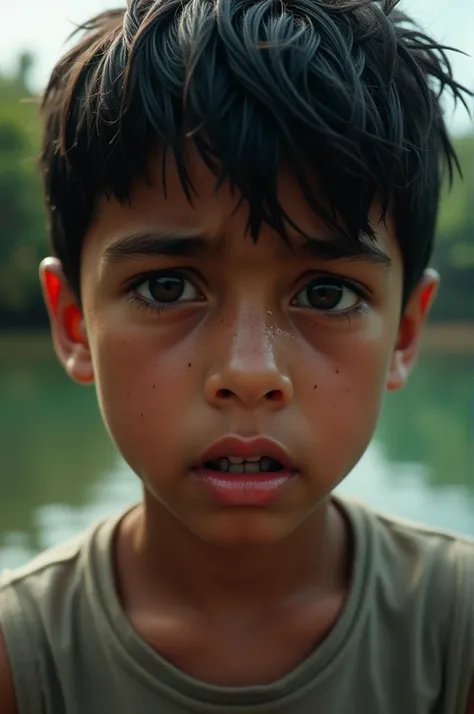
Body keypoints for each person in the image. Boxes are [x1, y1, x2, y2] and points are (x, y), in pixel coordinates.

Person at [1, 0, 473, 711]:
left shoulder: (457, 634)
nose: (250, 374)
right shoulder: (21, 658)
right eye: (167, 286)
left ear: (404, 333)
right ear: (73, 322)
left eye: (326, 294)